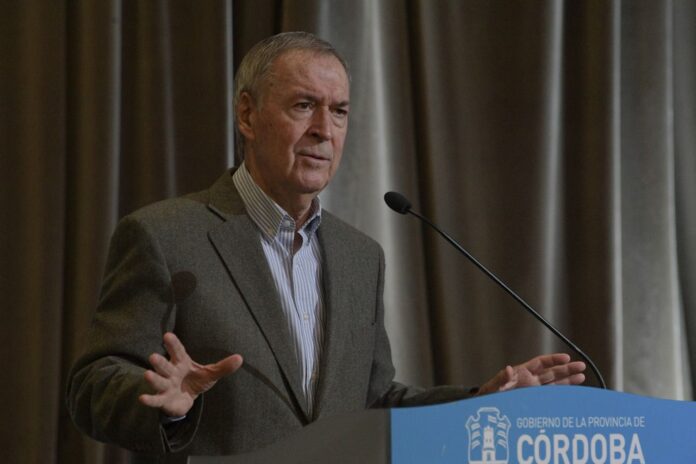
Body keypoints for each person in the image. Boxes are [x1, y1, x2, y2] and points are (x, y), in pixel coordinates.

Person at [66, 31, 586, 457]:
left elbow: (373, 403)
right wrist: (164, 401)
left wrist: (478, 405)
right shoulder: (165, 236)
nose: (324, 130)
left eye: (339, 111)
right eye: (303, 105)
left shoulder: (360, 257)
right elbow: (91, 386)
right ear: (247, 115)